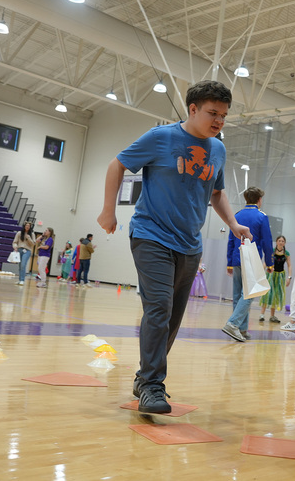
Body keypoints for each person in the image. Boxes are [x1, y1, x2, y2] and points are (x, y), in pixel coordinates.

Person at [97, 80, 251, 414]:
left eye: (224, 116)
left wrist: (234, 223)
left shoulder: (218, 149)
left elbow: (217, 193)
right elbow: (117, 164)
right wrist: (108, 209)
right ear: (192, 109)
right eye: (213, 113)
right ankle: (153, 387)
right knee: (159, 309)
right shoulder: (161, 137)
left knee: (172, 319)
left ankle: (144, 377)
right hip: (151, 234)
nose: (219, 121)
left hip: (189, 244)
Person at [222, 187, 274, 342]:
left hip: (237, 257)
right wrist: (270, 263)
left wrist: (229, 262)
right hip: (251, 259)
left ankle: (241, 329)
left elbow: (231, 241)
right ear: (259, 199)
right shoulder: (261, 216)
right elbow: (266, 241)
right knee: (252, 293)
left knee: (238, 294)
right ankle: (233, 324)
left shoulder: (236, 216)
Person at [259, 236, 291, 324]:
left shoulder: (286, 253)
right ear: (276, 242)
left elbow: (289, 265)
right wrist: (261, 273)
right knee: (267, 294)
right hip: (271, 274)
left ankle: (272, 316)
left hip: (280, 276)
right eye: (279, 241)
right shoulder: (272, 251)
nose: (281, 242)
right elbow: (266, 262)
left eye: (283, 241)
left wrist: (289, 277)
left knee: (276, 295)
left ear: (284, 243)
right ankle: (262, 314)